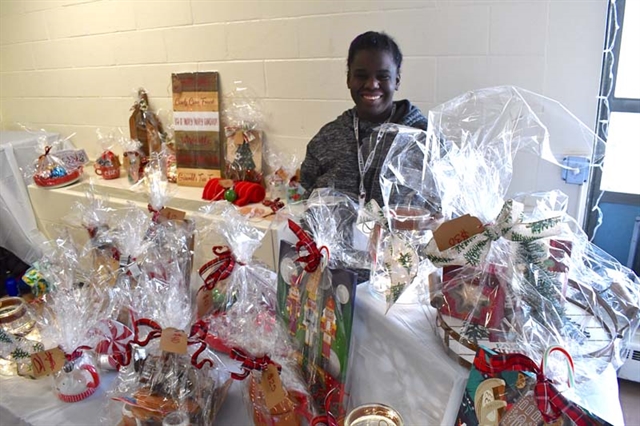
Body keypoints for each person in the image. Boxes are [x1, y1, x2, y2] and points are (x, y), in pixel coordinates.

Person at [300, 31, 428, 206]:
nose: (371, 84)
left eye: (382, 76)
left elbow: (445, 209)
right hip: (334, 235)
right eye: (361, 76)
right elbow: (304, 201)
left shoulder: (424, 139)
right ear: (348, 79)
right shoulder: (326, 139)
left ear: (397, 80)